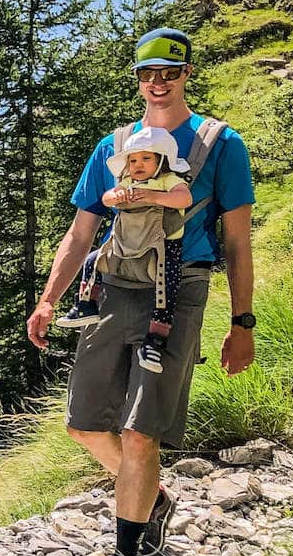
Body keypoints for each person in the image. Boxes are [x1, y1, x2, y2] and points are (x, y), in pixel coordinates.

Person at [26, 27, 256, 556]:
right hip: (110, 288)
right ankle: (151, 497)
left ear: (186, 75)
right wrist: (49, 299)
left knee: (138, 433)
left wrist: (242, 321)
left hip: (180, 292)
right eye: (147, 72)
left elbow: (237, 241)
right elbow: (81, 232)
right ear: (137, 77)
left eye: (169, 72)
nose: (157, 82)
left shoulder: (220, 145)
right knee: (83, 424)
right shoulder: (116, 144)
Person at [56, 126, 193, 375]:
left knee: (167, 286)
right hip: (126, 242)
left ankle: (156, 336)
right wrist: (117, 195)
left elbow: (184, 199)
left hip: (163, 244)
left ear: (162, 160)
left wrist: (152, 196)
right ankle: (86, 303)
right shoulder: (127, 181)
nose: (138, 164)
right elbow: (106, 198)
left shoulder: (168, 180)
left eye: (146, 158)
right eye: (132, 159)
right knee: (92, 260)